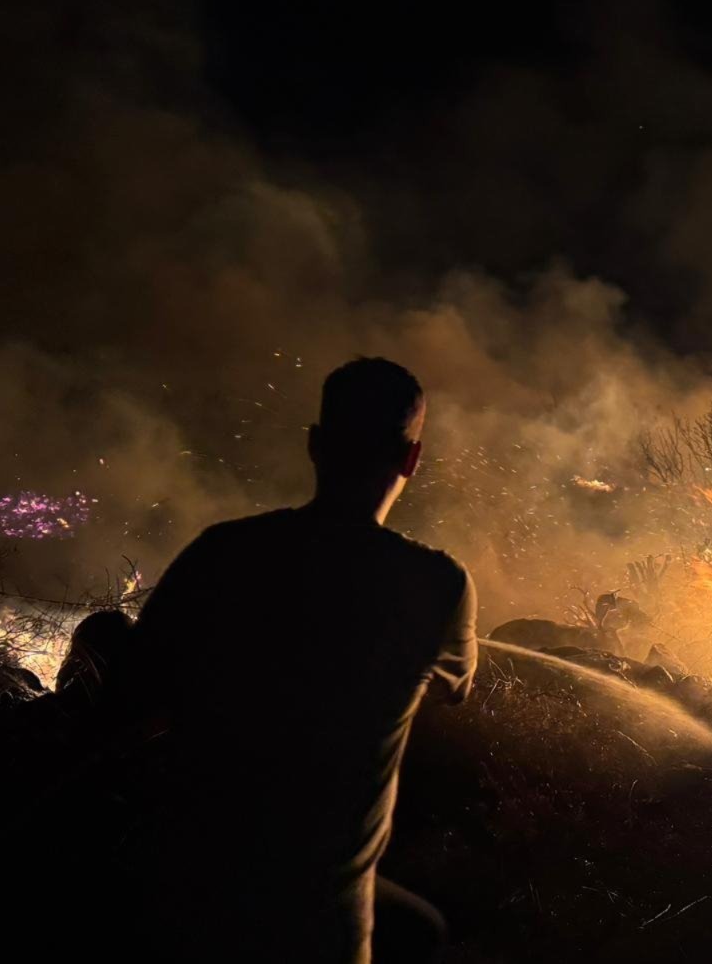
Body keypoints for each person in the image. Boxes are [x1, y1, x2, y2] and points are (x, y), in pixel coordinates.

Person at [130, 357, 477, 963]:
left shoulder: (221, 556)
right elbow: (455, 688)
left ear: (314, 445)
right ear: (412, 460)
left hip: (183, 905)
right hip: (320, 931)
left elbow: (126, 703)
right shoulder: (437, 585)